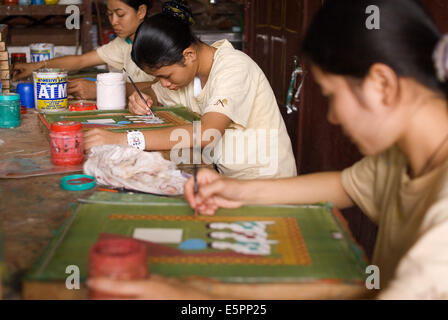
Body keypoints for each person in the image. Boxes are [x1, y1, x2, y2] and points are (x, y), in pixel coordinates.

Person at [88, 0, 448, 299]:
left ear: (382, 84)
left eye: (332, 97)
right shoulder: (403, 159)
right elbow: (345, 185)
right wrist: (235, 190)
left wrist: (189, 297)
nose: (335, 117)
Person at [84, 0, 297, 180]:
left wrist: (124, 139)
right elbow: (156, 93)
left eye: (165, 76)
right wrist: (144, 97)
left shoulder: (234, 68)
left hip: (267, 182)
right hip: (224, 177)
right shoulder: (188, 76)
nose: (163, 83)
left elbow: (207, 133)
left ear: (188, 55)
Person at [12, 0, 155, 100]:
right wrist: (35, 67)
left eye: (120, 14)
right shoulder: (125, 43)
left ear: (141, 11)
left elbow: (163, 88)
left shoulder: (157, 41)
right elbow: (81, 61)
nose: (113, 21)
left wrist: (102, 89)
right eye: (110, 14)